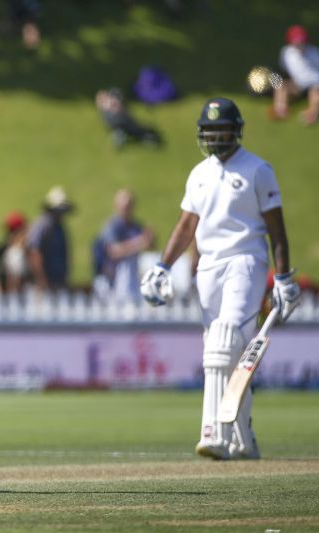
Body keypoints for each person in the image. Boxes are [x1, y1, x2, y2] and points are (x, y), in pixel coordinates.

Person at [140, 97, 301, 460]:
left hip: (245, 261)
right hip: (208, 268)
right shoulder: (199, 174)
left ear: (237, 130)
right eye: (210, 130)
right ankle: (243, 441)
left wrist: (285, 276)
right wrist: (162, 266)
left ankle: (212, 432)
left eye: (222, 129)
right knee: (228, 352)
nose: (216, 136)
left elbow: (278, 230)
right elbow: (186, 226)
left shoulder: (258, 170)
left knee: (225, 341)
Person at [95, 189, 155, 302]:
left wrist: (150, 239)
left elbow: (149, 246)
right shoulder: (111, 226)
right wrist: (139, 242)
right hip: (113, 280)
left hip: (133, 277)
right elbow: (113, 251)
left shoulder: (136, 226)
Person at [26, 186, 73, 292]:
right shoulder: (43, 225)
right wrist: (41, 279)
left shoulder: (59, 226)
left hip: (57, 279)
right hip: (46, 281)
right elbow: (34, 252)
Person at [271, 24, 319, 125]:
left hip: (314, 83)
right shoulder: (286, 52)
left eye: (301, 41)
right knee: (278, 82)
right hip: (298, 84)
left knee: (315, 92)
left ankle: (312, 114)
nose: (299, 44)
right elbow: (282, 69)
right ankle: (280, 109)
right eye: (296, 41)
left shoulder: (313, 52)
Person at [95, 87, 162, 149]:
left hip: (118, 123)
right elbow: (120, 109)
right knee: (136, 131)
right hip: (122, 121)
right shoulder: (110, 105)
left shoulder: (104, 108)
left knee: (124, 131)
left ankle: (121, 136)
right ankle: (149, 139)